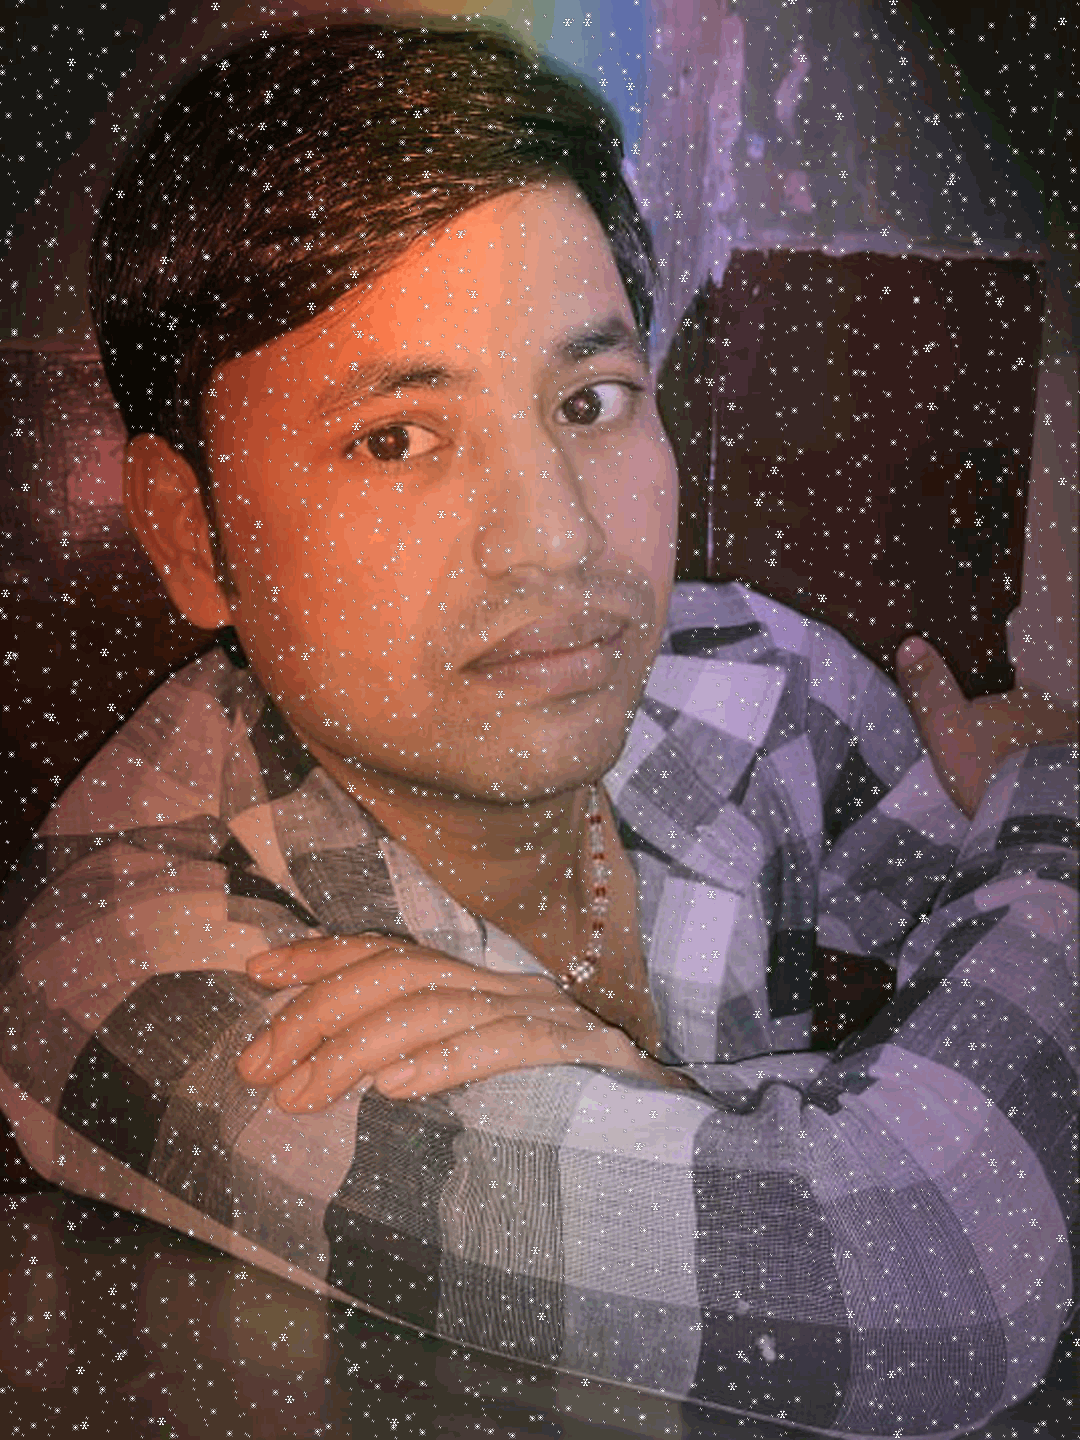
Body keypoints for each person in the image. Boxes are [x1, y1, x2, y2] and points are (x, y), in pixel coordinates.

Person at [1, 19, 1075, 1438]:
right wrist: (1055, 805)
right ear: (193, 535)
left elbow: (972, 972)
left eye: (590, 402)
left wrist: (697, 1114)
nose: (559, 539)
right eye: (397, 437)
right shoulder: (124, 957)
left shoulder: (753, 677)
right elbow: (926, 1281)